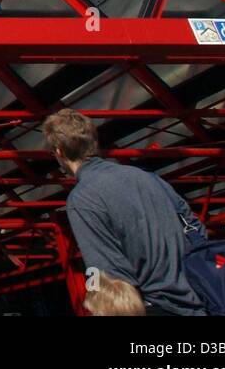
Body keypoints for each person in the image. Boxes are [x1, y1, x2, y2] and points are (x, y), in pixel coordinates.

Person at [42, 108, 205, 316]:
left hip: (157, 306)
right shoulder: (148, 177)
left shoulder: (82, 198)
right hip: (203, 298)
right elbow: (195, 229)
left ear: (59, 152)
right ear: (94, 142)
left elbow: (107, 274)